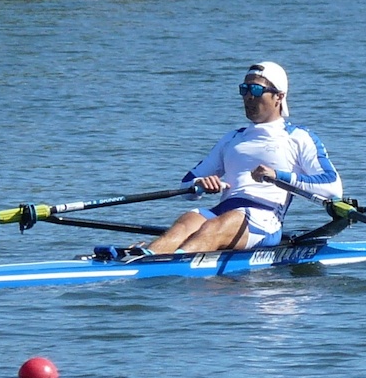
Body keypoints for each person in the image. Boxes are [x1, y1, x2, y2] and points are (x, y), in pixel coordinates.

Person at [145, 61, 343, 254]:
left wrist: (278, 176)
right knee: (186, 222)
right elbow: (185, 188)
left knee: (218, 225)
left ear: (279, 96)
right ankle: (141, 258)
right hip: (221, 213)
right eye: (244, 89)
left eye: (256, 90)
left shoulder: (298, 137)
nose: (248, 96)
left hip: (264, 218)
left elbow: (332, 186)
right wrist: (200, 183)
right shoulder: (232, 138)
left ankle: (170, 267)